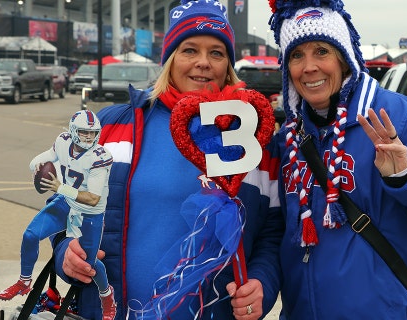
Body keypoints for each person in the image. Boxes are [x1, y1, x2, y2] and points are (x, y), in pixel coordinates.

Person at [55, 1, 283, 319]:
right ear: (170, 58)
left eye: (216, 53)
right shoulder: (110, 127)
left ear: (228, 65)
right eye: (190, 50)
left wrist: (263, 284)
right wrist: (67, 253)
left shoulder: (252, 140)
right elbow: (64, 212)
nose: (203, 63)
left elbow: (272, 233)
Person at [267, 0, 407, 319]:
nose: (309, 67)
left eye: (321, 51)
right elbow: (273, 233)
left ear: (344, 57)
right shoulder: (289, 139)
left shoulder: (399, 118)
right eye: (297, 55)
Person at [0, 110, 117, 320]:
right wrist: (36, 166)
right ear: (72, 131)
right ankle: (24, 282)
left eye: (93, 133)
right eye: (83, 132)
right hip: (65, 203)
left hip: (89, 213)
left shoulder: (101, 157)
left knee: (89, 265)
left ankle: (106, 295)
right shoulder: (63, 141)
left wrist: (60, 187)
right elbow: (45, 158)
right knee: (30, 235)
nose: (89, 137)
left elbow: (93, 199)